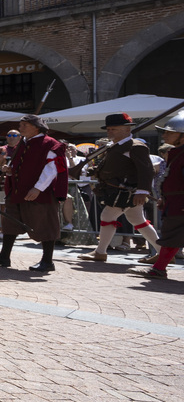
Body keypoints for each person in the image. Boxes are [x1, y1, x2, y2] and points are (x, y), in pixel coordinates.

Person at [0, 114, 65, 272]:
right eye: (20, 125)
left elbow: (53, 168)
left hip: (40, 194)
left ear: (36, 127)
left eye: (24, 125)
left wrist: (38, 188)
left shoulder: (50, 144)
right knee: (10, 224)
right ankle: (4, 256)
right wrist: (9, 170)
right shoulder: (23, 142)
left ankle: (47, 261)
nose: (20, 128)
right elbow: (21, 165)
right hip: (17, 192)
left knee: (45, 225)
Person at [77, 113, 161, 263]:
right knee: (137, 219)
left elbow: (146, 169)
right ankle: (163, 253)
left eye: (113, 129)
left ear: (127, 129)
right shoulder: (116, 146)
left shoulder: (136, 146)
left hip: (126, 190)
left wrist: (143, 191)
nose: (109, 132)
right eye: (108, 129)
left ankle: (100, 252)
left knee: (107, 217)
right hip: (120, 190)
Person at [130, 111, 184, 279]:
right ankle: (158, 268)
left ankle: (158, 268)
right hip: (175, 202)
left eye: (169, 132)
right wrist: (165, 198)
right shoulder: (178, 153)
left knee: (172, 236)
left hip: (180, 204)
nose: (165, 134)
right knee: (172, 237)